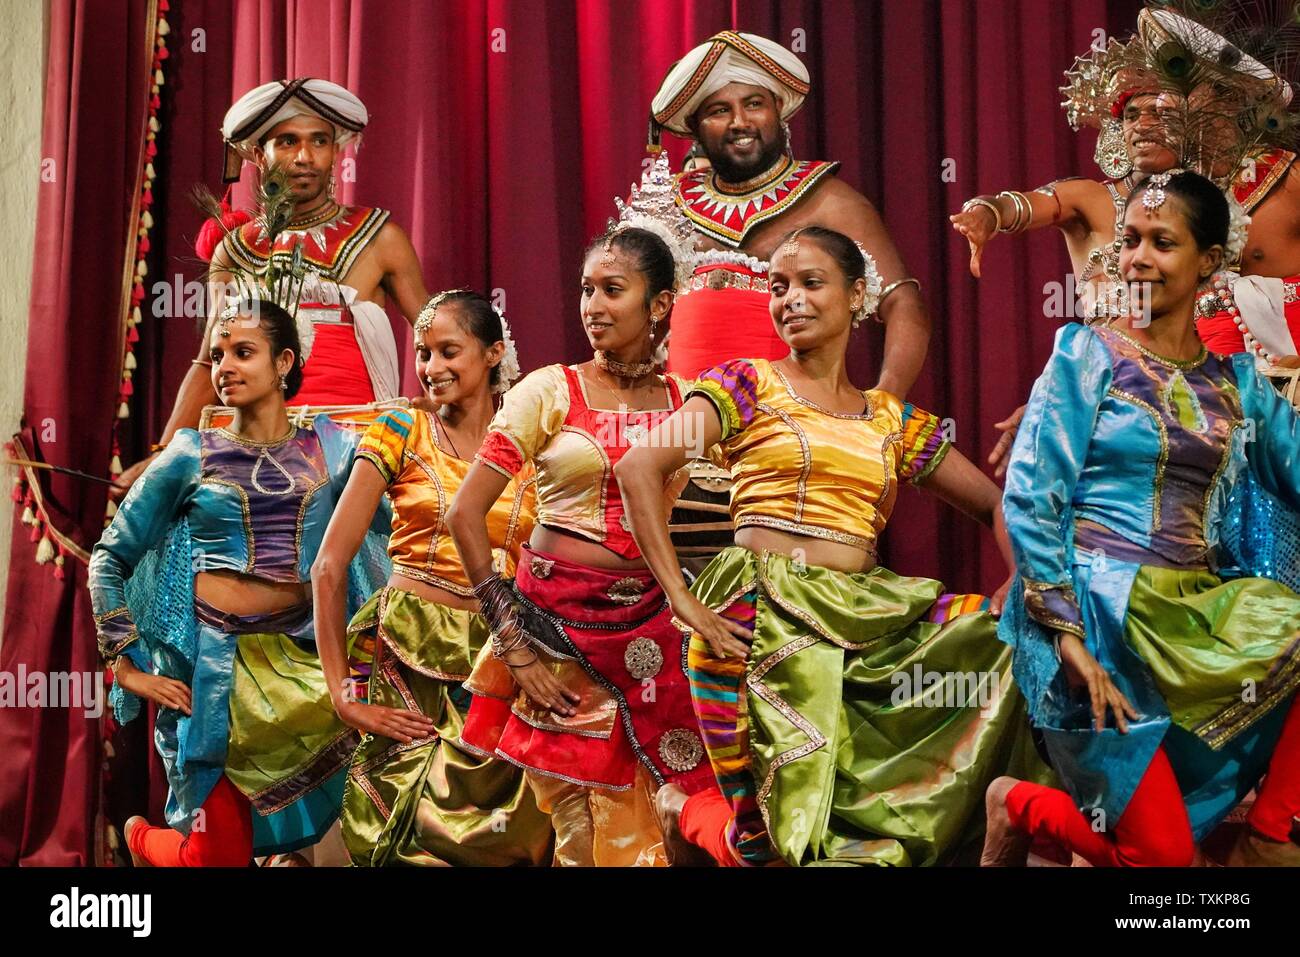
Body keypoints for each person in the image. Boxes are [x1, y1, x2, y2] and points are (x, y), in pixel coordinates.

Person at [617, 225, 1047, 866]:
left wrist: (1021, 581)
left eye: (811, 284)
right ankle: (691, 813)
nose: (790, 299)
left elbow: (996, 504)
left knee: (1018, 638)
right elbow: (638, 469)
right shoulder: (745, 384)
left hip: (865, 623)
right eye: (780, 286)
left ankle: (996, 827)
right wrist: (683, 600)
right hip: (754, 619)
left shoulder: (889, 419)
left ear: (858, 297)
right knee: (776, 843)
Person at [985, 171, 1300, 868]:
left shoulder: (1237, 383)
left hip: (1196, 622)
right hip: (1098, 622)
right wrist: (1066, 636)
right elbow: (1032, 499)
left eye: (1163, 242)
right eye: (1129, 241)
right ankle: (1018, 802)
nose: (1136, 259)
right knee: (1163, 866)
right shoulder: (1085, 355)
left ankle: (1270, 836)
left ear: (1209, 261)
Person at [445, 227, 715, 867]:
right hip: (551, 636)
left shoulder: (689, 401)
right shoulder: (550, 390)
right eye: (587, 290)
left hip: (650, 636)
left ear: (659, 305)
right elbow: (464, 515)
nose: (592, 306)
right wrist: (513, 646)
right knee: (582, 829)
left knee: (659, 820)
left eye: (612, 290)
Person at [91, 295, 380, 866]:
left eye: (243, 352)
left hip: (306, 666)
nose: (223, 366)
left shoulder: (335, 448)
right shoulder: (187, 454)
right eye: (218, 353)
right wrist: (127, 667)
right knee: (217, 858)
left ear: (284, 363)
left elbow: (406, 522)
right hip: (213, 674)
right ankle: (146, 841)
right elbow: (109, 559)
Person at [952, 7, 1300, 474]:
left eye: (1160, 112)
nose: (1144, 125)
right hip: (1114, 387)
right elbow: (1033, 205)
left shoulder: (1221, 203)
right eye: (1131, 114)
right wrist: (988, 212)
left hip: (1221, 395)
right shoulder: (1091, 199)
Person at [310, 290, 551, 866]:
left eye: (449, 351)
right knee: (408, 838)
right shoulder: (401, 430)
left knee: (506, 838)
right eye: (422, 353)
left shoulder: (533, 446)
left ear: (494, 354)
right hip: (408, 661)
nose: (430, 368)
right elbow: (327, 567)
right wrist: (345, 698)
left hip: (499, 662)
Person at [114, 77, 430, 495]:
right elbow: (210, 365)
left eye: (319, 141)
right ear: (257, 155)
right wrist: (166, 453)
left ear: (336, 151)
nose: (304, 156)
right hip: (246, 453)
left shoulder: (379, 237)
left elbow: (437, 333)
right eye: (286, 142)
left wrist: (436, 408)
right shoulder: (233, 251)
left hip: (349, 452)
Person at [649, 31, 929, 396]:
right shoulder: (667, 203)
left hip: (792, 429)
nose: (740, 122)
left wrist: (885, 401)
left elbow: (903, 303)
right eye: (720, 110)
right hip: (683, 428)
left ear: (778, 111)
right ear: (696, 130)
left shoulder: (830, 201)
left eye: (753, 104)